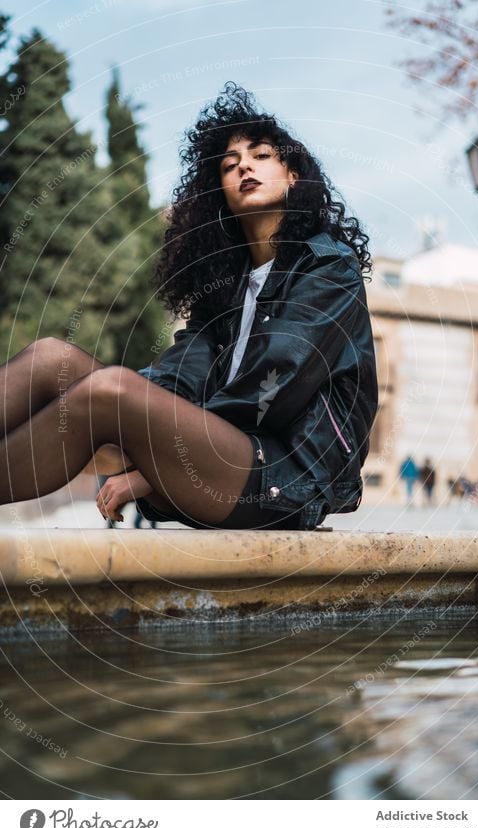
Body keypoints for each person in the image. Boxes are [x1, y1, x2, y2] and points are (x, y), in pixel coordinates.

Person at [0, 82, 377, 532]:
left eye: (261, 156)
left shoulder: (327, 265)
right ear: (219, 192)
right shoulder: (226, 286)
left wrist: (148, 463)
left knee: (109, 391)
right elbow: (179, 377)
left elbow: (274, 385)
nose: (244, 168)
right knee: (52, 359)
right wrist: (140, 410)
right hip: (213, 455)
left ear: (294, 175)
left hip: (283, 477)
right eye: (229, 165)